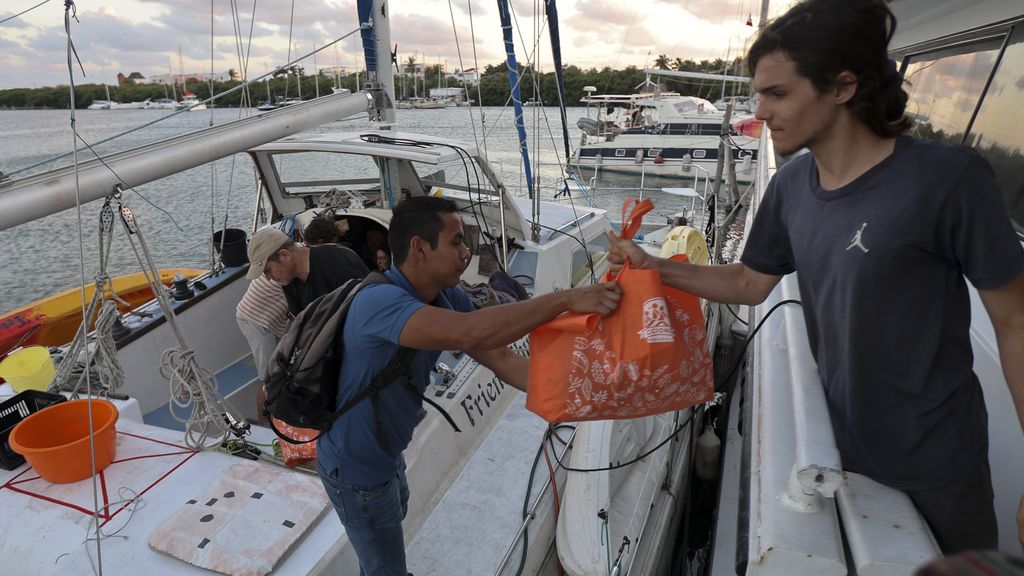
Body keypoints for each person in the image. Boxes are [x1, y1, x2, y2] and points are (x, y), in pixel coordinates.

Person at [608, 0, 1024, 554]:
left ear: (843, 87)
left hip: (936, 458)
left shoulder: (949, 181)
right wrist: (657, 267)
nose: (762, 111)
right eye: (759, 95)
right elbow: (749, 284)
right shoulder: (792, 184)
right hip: (838, 448)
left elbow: (1015, 322)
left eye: (777, 94)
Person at [315, 196, 622, 575]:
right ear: (419, 248)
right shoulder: (379, 303)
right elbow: (472, 330)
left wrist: (590, 390)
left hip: (387, 455)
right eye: (457, 242)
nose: (466, 253)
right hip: (356, 468)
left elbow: (503, 360)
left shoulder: (446, 297)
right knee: (384, 566)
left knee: (389, 529)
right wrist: (567, 299)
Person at [246, 226, 369, 315]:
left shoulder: (337, 260)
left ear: (285, 255)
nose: (268, 278)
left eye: (268, 270)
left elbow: (366, 307)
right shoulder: (289, 282)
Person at [235, 275, 289, 423]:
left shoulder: (294, 259)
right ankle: (265, 427)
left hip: (266, 320)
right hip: (255, 320)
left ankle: (279, 421)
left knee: (277, 373)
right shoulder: (293, 266)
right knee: (268, 379)